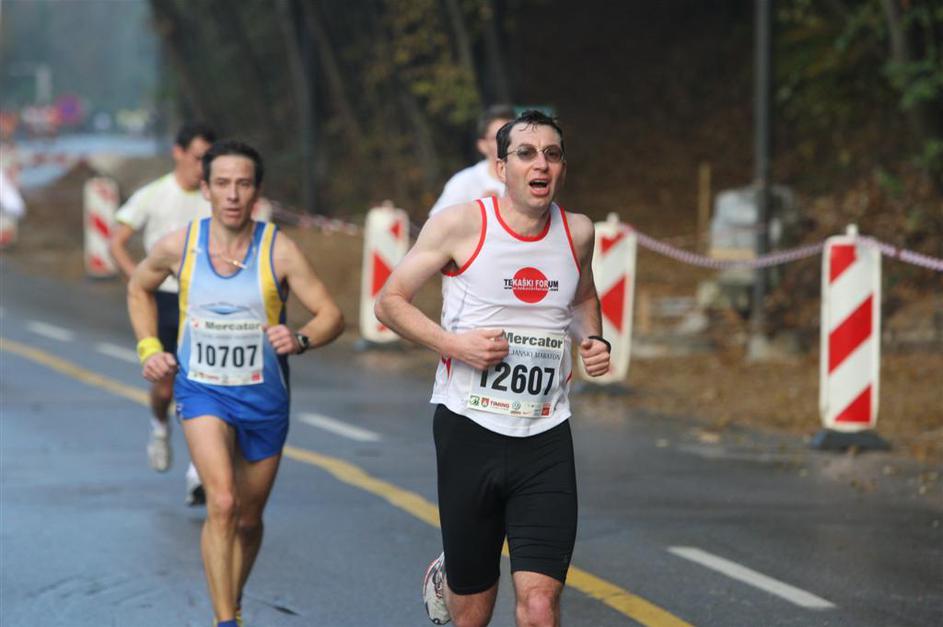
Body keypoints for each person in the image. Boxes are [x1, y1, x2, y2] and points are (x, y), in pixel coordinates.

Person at [376, 110, 611, 626]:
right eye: (526, 153)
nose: (541, 164)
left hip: (545, 434)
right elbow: (389, 302)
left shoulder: (577, 232)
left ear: (562, 168)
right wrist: (454, 345)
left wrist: (592, 339)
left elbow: (582, 297)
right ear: (501, 167)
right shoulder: (460, 225)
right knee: (472, 615)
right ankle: (452, 575)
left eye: (552, 154)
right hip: (469, 430)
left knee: (540, 606)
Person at [127, 139, 344, 626]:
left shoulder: (279, 250)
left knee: (247, 519)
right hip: (202, 391)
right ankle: (225, 620)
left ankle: (233, 602)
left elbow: (332, 314)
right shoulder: (180, 245)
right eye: (222, 183)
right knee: (222, 502)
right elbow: (139, 286)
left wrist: (301, 338)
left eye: (243, 184)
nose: (232, 194)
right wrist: (150, 348)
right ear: (205, 189)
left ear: (256, 192)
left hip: (265, 399)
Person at [110, 122, 216, 505]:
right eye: (197, 157)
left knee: (201, 383)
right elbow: (117, 242)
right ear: (178, 152)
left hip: (203, 301)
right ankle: (159, 425)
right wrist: (137, 281)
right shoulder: (154, 194)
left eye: (208, 159)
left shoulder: (215, 196)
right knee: (166, 387)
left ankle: (198, 471)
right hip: (162, 300)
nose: (202, 166)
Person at [428, 105, 514, 216]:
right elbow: (436, 221)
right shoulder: (464, 182)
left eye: (511, 136)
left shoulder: (531, 179)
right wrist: (478, 211)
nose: (506, 142)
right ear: (482, 145)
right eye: (499, 137)